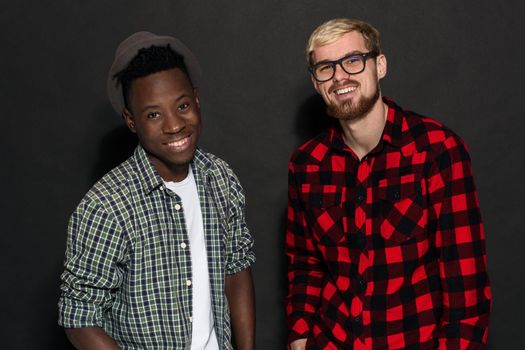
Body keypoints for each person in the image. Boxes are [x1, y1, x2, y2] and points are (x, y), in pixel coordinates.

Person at [285, 18, 491, 349]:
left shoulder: (437, 151)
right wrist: (299, 337)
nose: (340, 76)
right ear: (316, 82)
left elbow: (465, 288)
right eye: (326, 68)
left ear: (379, 65)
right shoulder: (306, 164)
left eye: (352, 60)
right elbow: (305, 265)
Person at [58, 31, 256, 350]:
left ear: (196, 99)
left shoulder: (220, 178)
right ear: (131, 121)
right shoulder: (105, 206)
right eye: (153, 114)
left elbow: (237, 268)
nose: (174, 125)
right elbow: (79, 317)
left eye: (182, 105)